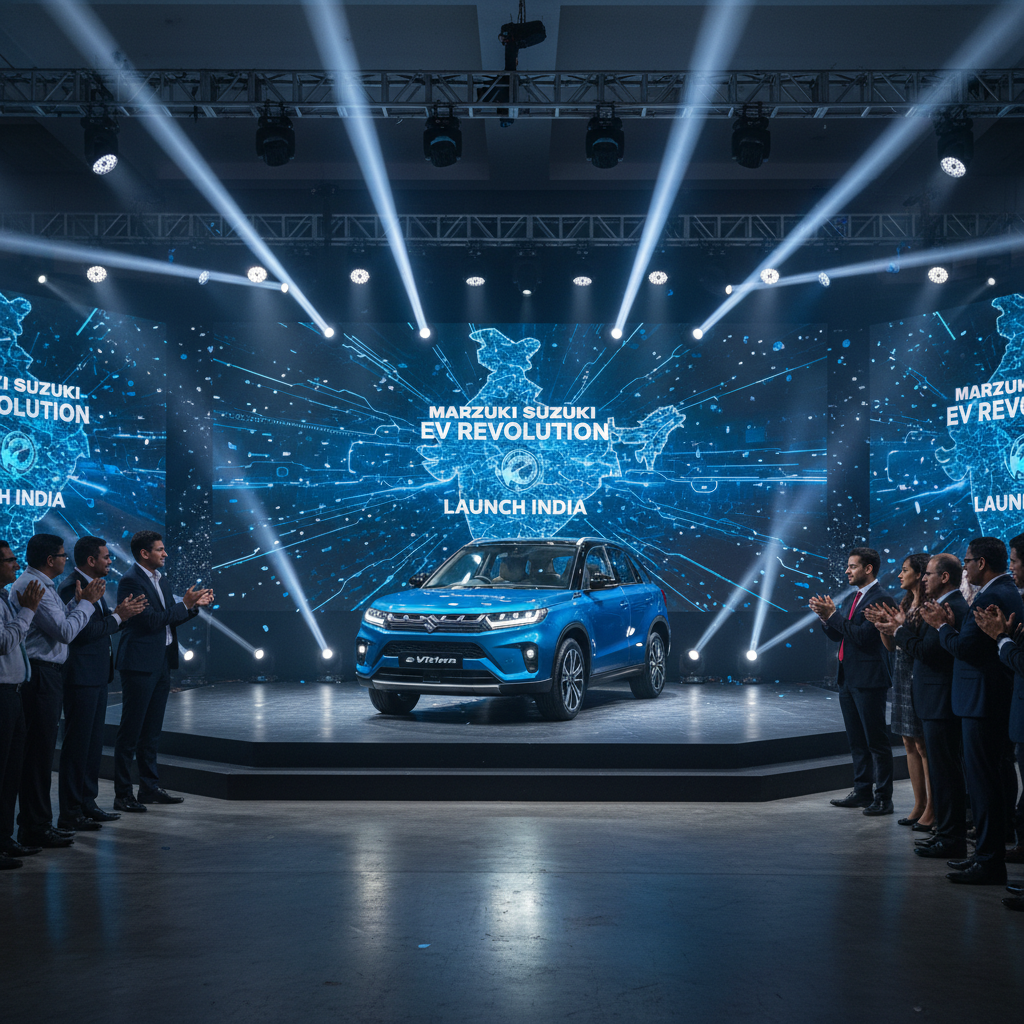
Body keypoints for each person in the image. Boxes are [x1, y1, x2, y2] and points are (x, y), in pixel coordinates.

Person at [921, 536, 1024, 885]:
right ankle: (984, 856)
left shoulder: (994, 595)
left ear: (981, 563)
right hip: (988, 700)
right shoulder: (1003, 591)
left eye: (967, 561)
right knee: (986, 783)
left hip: (982, 701)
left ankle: (988, 861)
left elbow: (967, 649)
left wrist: (942, 627)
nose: (964, 567)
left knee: (984, 786)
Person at [11, 534, 105, 849]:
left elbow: (59, 621)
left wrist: (77, 604)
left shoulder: (43, 586)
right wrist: (88, 605)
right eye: (63, 555)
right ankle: (34, 826)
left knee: (40, 754)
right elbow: (65, 632)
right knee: (38, 755)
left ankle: (37, 824)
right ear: (51, 560)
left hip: (45, 675)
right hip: (39, 676)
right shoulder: (32, 586)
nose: (67, 560)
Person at [873, 554, 969, 859]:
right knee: (932, 762)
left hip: (938, 695)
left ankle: (947, 831)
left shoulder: (945, 608)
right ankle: (944, 831)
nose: (924, 579)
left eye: (927, 573)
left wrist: (901, 630)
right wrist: (891, 627)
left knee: (944, 770)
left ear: (942, 577)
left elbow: (929, 652)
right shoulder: (929, 606)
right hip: (924, 689)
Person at [112, 531, 213, 812]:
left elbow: (170, 617)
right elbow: (150, 622)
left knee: (151, 731)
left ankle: (149, 787)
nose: (165, 554)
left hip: (160, 663)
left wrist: (193, 608)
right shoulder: (131, 580)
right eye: (159, 550)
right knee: (131, 732)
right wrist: (185, 605)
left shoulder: (160, 579)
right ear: (145, 554)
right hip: (139, 663)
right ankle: (122, 794)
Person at [57, 536, 147, 831]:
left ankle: (87, 803)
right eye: (106, 557)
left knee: (92, 745)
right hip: (80, 676)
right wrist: (119, 618)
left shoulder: (92, 586)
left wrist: (116, 613)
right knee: (78, 746)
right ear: (91, 560)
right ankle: (70, 810)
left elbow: (95, 623)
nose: (111, 561)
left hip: (95, 676)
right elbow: (81, 633)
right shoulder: (74, 586)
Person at [810, 547, 897, 815]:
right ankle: (862, 791)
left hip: (869, 679)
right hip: (848, 678)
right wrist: (827, 618)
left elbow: (862, 636)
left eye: (852, 566)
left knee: (876, 742)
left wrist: (833, 615)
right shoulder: (854, 598)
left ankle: (883, 797)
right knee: (857, 740)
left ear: (868, 568)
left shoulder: (881, 599)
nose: (847, 571)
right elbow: (841, 635)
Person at [866, 553, 932, 828]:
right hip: (903, 675)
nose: (899, 574)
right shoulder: (905, 602)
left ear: (919, 574)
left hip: (922, 675)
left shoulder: (930, 605)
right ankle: (918, 804)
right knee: (909, 742)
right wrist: (883, 626)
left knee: (924, 745)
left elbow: (923, 644)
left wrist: (899, 627)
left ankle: (933, 806)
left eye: (905, 570)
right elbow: (892, 646)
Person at [0, 541, 44, 870]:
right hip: (1, 695)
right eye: (9, 560)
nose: (15, 565)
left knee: (11, 773)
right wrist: (28, 610)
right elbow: (3, 643)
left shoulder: (4, 597)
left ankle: (4, 839)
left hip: (13, 693)